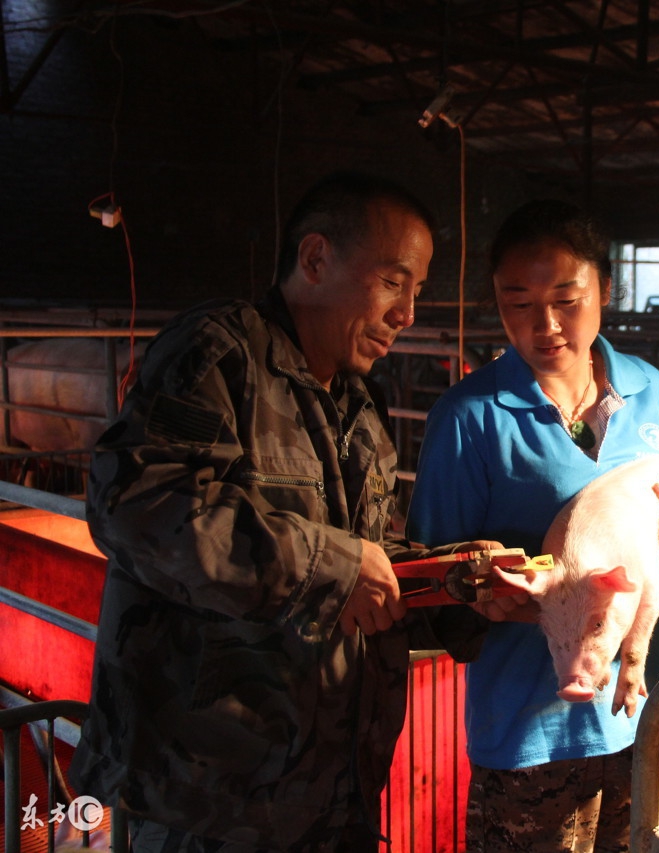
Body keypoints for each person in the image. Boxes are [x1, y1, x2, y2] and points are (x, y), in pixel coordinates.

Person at [68, 171, 496, 852]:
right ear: (316, 259)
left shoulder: (361, 408)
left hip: (331, 793)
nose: (407, 312)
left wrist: (469, 584)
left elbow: (364, 560)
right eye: (393, 281)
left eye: (416, 290)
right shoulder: (219, 352)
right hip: (205, 801)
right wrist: (335, 567)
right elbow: (137, 506)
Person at [405, 199, 659, 852]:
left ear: (606, 288)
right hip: (530, 733)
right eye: (517, 302)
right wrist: (490, 591)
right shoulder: (470, 416)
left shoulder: (649, 390)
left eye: (567, 299)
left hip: (641, 714)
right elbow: (431, 583)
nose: (543, 324)